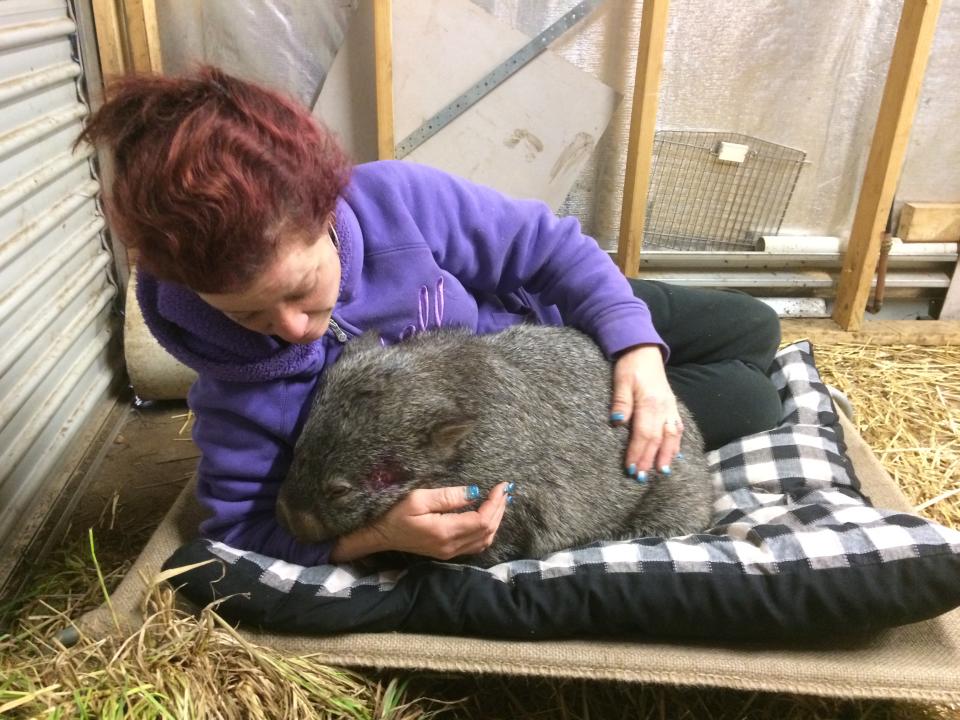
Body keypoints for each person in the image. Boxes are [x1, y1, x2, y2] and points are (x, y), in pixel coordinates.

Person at [79, 67, 782, 566]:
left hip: (535, 329)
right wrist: (376, 540)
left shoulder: (392, 199)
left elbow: (547, 247)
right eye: (248, 313)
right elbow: (243, 533)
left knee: (756, 328)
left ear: (327, 211)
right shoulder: (237, 396)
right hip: (529, 407)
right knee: (753, 396)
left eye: (301, 289)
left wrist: (637, 352)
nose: (294, 328)